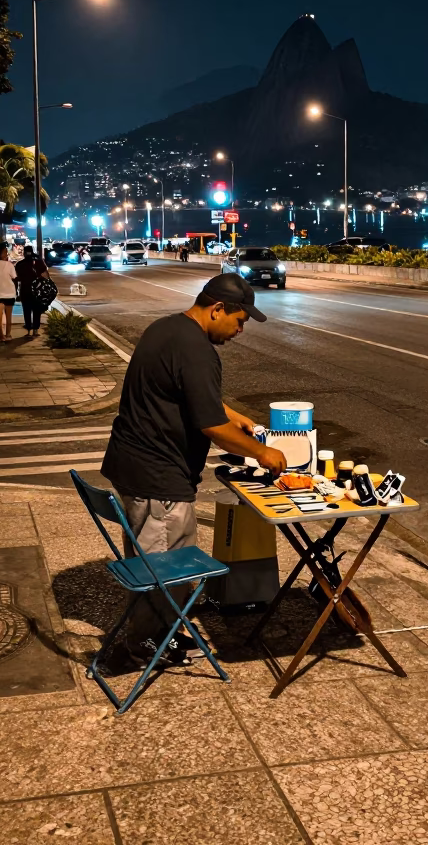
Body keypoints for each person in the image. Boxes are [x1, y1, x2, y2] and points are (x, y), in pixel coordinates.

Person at [101, 273, 286, 666]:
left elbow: (192, 399)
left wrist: (233, 415)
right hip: (158, 474)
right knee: (166, 568)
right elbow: (212, 428)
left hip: (132, 463)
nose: (240, 330)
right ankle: (144, 645)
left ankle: (163, 631)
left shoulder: (167, 329)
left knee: (153, 558)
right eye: (239, 321)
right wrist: (262, 454)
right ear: (217, 308)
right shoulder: (198, 350)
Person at [15, 245, 49, 338]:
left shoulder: (19, 264)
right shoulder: (39, 262)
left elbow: (16, 278)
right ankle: (35, 330)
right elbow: (46, 275)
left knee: (27, 310)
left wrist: (16, 292)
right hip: (37, 290)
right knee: (36, 310)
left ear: (24, 253)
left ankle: (29, 330)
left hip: (25, 290)